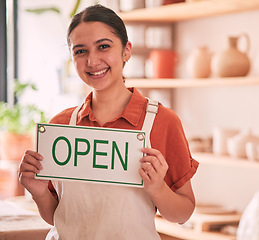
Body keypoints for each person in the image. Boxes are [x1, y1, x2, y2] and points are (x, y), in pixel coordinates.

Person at [18, 4, 199, 239]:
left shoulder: (163, 122)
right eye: (80, 51)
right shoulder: (60, 125)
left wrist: (158, 189)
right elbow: (59, 217)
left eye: (103, 46)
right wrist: (39, 193)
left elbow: (182, 214)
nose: (92, 61)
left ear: (126, 51)